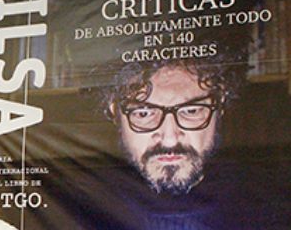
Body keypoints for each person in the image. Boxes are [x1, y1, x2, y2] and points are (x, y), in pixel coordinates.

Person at [99, 54, 241, 196]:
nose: (169, 140)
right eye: (144, 114)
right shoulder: (87, 202)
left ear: (220, 104)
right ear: (115, 112)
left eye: (191, 111)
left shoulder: (257, 198)